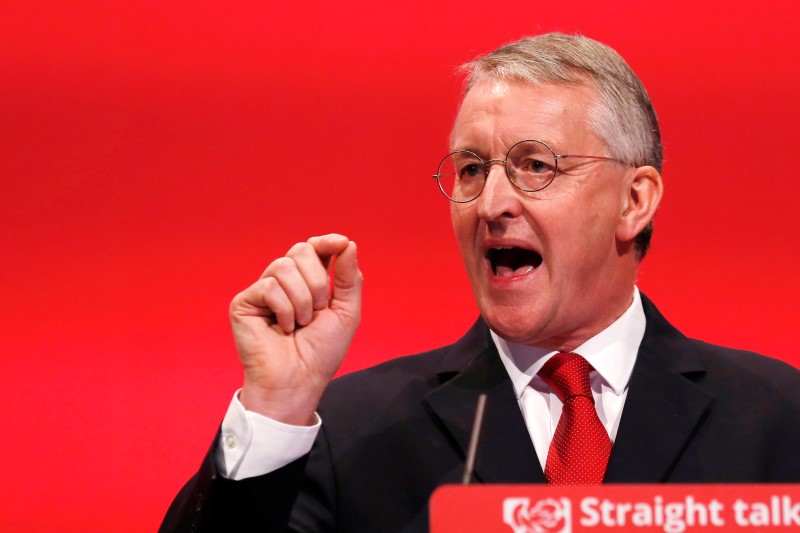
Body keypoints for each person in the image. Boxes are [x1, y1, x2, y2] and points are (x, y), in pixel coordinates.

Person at [160, 33, 800, 532]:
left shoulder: (778, 420)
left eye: (536, 166)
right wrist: (275, 408)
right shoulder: (349, 432)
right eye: (470, 169)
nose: (491, 203)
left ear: (634, 200)